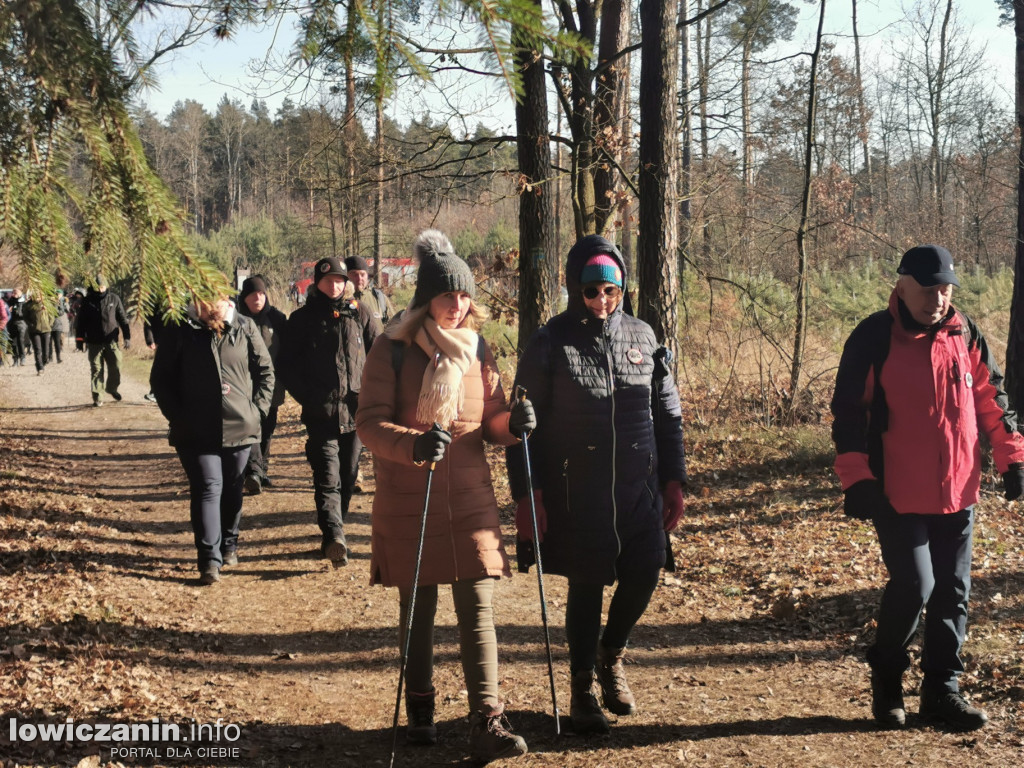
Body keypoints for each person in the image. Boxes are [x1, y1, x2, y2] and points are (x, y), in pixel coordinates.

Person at [356, 229, 534, 762]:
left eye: (464, 296)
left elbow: (492, 422)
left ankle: (488, 721)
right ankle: (421, 710)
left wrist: (516, 424)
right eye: (447, 295)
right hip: (411, 496)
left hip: (471, 496)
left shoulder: (479, 349)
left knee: (478, 608)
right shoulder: (391, 348)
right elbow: (368, 424)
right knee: (419, 611)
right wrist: (414, 446)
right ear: (426, 299)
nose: (458, 305)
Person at [831, 244, 1024, 731]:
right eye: (927, 288)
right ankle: (888, 680)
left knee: (952, 593)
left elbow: (992, 399)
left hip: (958, 491)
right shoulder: (875, 336)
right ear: (902, 285)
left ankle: (942, 691)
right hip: (894, 491)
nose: (937, 299)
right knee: (916, 585)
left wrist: (1012, 458)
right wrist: (856, 478)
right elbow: (849, 412)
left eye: (944, 288)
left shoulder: (966, 333)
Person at [506, 234, 687, 735]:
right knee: (586, 586)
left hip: (640, 489)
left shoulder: (645, 337)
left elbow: (667, 415)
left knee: (645, 571)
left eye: (611, 290)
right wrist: (528, 495)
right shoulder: (549, 341)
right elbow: (520, 430)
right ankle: (583, 685)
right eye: (591, 291)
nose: (602, 300)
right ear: (575, 289)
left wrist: (675, 479)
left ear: (623, 287)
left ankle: (612, 656)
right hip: (577, 491)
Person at [150, 295, 274, 585]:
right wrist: (178, 418)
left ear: (226, 298)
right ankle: (208, 559)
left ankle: (229, 544)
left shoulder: (245, 326)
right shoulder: (180, 328)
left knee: (232, 488)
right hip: (195, 431)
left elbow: (266, 371)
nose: (211, 306)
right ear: (195, 302)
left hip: (241, 427)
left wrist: (257, 412)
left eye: (216, 298)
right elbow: (161, 380)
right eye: (203, 300)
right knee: (208, 487)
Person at [277, 257, 382, 567]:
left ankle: (337, 526)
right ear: (316, 283)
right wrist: (308, 397)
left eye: (339, 280)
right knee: (327, 477)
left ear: (345, 283)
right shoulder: (301, 319)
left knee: (348, 477)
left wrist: (376, 393)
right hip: (320, 413)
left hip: (356, 412)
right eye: (327, 281)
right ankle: (333, 536)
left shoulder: (360, 313)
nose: (334, 285)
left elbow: (380, 353)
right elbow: (286, 366)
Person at [236, 275, 288, 493]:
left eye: (261, 293)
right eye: (252, 295)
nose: (258, 298)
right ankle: (251, 472)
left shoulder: (277, 319)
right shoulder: (235, 319)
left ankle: (261, 470)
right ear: (244, 298)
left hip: (272, 385)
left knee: (267, 429)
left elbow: (287, 352)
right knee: (250, 428)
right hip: (242, 385)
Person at [75, 275, 131, 406]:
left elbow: (123, 319)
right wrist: (79, 339)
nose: (100, 290)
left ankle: (111, 388)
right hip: (94, 342)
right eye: (98, 287)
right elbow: (81, 322)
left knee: (116, 366)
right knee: (96, 370)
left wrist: (127, 337)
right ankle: (98, 397)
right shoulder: (87, 301)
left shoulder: (114, 299)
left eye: (102, 287)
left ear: (106, 286)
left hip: (111, 341)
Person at [345, 256, 393, 327]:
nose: (359, 278)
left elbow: (394, 328)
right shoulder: (338, 299)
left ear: (367, 276)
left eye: (362, 274)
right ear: (346, 275)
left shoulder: (380, 298)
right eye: (354, 274)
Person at [24, 291, 53, 374]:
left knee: (46, 351)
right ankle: (40, 368)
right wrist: (30, 324)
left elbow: (52, 316)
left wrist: (49, 325)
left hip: (46, 330)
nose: (37, 297)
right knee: (37, 349)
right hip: (34, 330)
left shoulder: (47, 304)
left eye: (39, 295)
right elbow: (25, 317)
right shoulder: (29, 305)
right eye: (35, 295)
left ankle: (43, 363)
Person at [5, 287, 29, 366]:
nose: (13, 294)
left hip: (21, 324)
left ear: (20, 293)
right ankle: (15, 359)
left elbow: (25, 314)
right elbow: (5, 312)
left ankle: (22, 358)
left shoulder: (24, 302)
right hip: (11, 324)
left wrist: (15, 311)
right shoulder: (9, 302)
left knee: (20, 341)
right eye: (13, 293)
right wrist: (9, 311)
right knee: (13, 343)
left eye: (15, 293)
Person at [50, 289, 69, 364]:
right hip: (49, 324)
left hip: (58, 324)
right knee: (49, 343)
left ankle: (58, 357)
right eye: (56, 294)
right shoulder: (50, 302)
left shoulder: (62, 301)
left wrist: (62, 303)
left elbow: (62, 312)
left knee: (57, 342)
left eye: (58, 294)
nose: (57, 296)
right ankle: (49, 357)